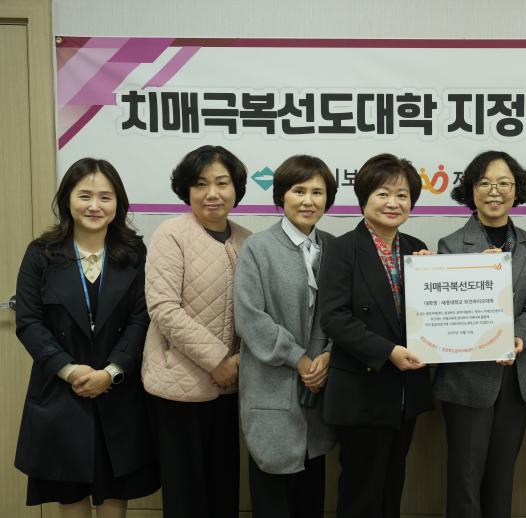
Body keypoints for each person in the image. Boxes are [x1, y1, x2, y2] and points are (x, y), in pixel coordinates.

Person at [14, 158, 159, 517]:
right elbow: (29, 321)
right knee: (70, 494)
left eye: (105, 197)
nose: (95, 206)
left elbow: (143, 319)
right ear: (67, 199)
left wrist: (111, 372)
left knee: (115, 494)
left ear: (118, 204)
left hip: (118, 391)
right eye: (85, 196)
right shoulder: (41, 254)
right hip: (61, 391)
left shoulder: (135, 254)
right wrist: (70, 370)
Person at [434, 151, 526, 518]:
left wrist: (518, 337)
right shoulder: (451, 245)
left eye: (504, 183)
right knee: (465, 480)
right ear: (471, 190)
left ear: (517, 190)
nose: (494, 191)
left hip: (516, 377)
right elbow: (444, 314)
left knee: (502, 478)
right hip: (466, 379)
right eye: (484, 183)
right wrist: (476, 271)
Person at [318, 153, 433, 518]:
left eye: (402, 195)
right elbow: (333, 318)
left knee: (391, 486)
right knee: (361, 492)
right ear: (364, 197)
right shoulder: (342, 249)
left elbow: (430, 317)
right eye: (383, 193)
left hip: (405, 392)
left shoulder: (416, 249)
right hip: (362, 390)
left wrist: (438, 279)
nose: (393, 203)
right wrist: (388, 352)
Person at [141, 145, 251, 518]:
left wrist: (238, 362)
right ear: (186, 189)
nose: (212, 193)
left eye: (222, 182)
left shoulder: (247, 240)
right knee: (186, 495)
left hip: (231, 385)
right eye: (200, 184)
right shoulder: (171, 234)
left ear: (236, 188)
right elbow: (163, 308)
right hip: (178, 386)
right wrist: (218, 360)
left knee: (224, 488)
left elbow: (257, 312)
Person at [234, 155, 338, 518]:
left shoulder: (333, 247)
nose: (308, 200)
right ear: (281, 195)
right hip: (271, 384)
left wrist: (327, 355)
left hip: (319, 389)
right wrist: (299, 358)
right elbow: (250, 317)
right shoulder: (258, 247)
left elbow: (343, 313)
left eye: (317, 192)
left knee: (311, 496)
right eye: (298, 191)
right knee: (273, 495)